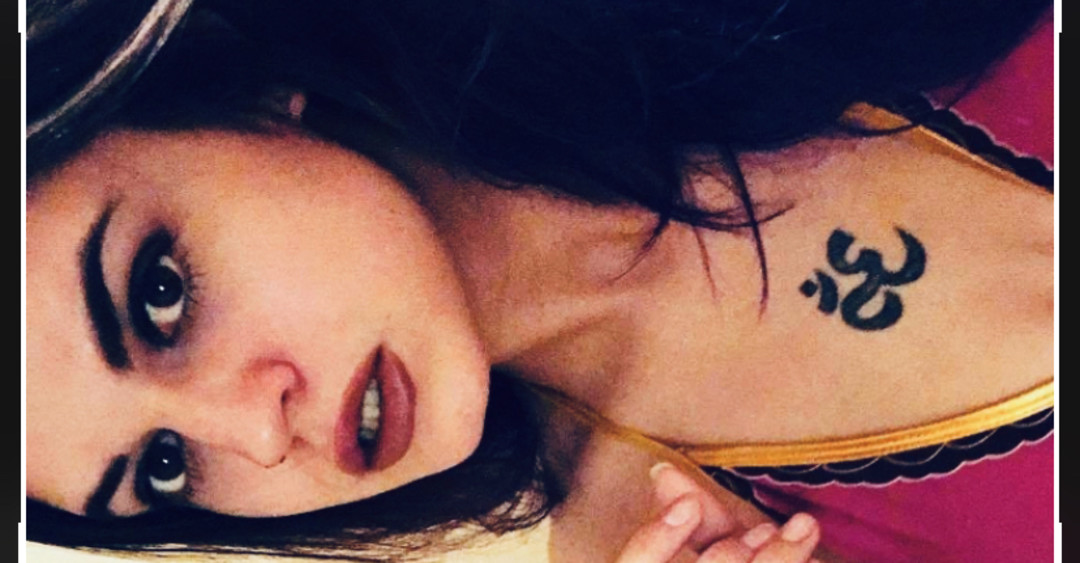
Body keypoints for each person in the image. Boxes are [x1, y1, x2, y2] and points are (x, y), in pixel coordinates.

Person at [25, 0, 1053, 561]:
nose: (254, 437)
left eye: (160, 296)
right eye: (164, 466)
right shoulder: (685, 537)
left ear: (222, 91)